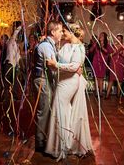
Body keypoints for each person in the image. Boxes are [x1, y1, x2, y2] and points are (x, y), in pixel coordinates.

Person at [45, 23, 93, 160]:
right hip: (62, 81)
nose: (63, 34)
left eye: (64, 31)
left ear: (71, 33)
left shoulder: (80, 48)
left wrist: (56, 65)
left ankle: (61, 146)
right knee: (62, 110)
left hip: (70, 82)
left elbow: (74, 66)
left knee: (58, 109)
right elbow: (57, 57)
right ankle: (63, 143)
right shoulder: (66, 46)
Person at [33, 20, 63, 152]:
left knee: (47, 110)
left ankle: (44, 138)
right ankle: (40, 142)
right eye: (60, 31)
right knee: (44, 111)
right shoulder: (45, 46)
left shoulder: (50, 45)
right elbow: (53, 66)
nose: (62, 33)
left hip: (46, 80)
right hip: (42, 80)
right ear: (53, 32)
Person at [105, 34, 124, 99]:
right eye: (117, 38)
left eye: (119, 39)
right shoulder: (112, 46)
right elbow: (109, 55)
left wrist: (123, 54)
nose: (118, 40)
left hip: (120, 64)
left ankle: (118, 94)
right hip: (113, 64)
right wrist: (114, 52)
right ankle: (107, 94)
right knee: (111, 79)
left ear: (122, 40)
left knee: (119, 80)